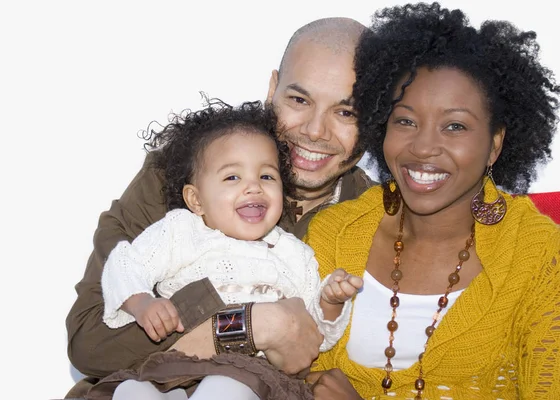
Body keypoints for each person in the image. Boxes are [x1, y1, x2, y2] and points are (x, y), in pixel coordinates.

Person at [65, 17, 373, 398]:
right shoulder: (182, 173)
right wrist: (252, 324)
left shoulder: (381, 219)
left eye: (346, 112)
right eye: (299, 100)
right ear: (273, 88)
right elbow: (92, 344)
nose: (314, 130)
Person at [304, 2, 560, 399]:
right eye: (405, 120)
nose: (423, 148)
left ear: (494, 145)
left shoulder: (540, 256)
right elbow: (286, 369)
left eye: (454, 126)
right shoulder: (334, 233)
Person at [87, 99, 362, 400]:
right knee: (131, 389)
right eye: (233, 177)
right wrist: (141, 303)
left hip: (250, 376)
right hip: (177, 366)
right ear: (196, 200)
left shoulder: (294, 254)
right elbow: (126, 263)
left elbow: (313, 336)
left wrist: (330, 302)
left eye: (267, 176)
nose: (253, 187)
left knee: (224, 388)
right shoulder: (182, 231)